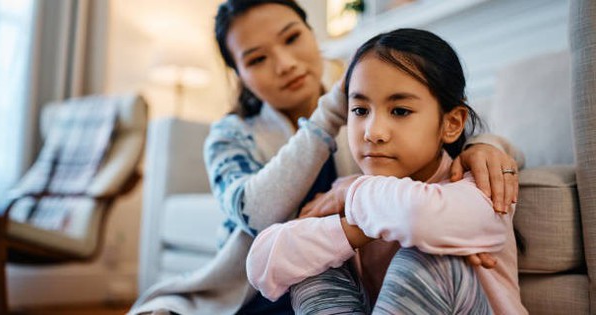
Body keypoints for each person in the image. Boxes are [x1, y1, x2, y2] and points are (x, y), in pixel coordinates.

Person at [129, 1, 522, 314]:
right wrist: (332, 111)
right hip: (260, 296)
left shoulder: (406, 142)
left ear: (312, 35)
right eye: (257, 59)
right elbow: (261, 227)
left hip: (419, 274)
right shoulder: (234, 136)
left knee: (422, 255)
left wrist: (482, 146)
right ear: (239, 75)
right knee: (312, 268)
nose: (284, 64)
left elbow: (443, 163)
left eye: (291, 38)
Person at [246, 28, 527, 314]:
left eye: (400, 111)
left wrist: (350, 196)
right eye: (360, 110)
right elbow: (261, 261)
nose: (373, 132)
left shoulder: (481, 188)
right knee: (311, 263)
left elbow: (416, 215)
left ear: (452, 123)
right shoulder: (354, 195)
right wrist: (350, 229)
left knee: (429, 259)